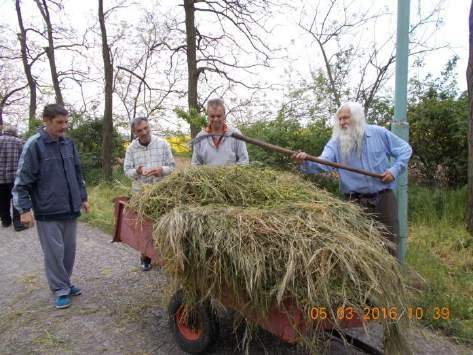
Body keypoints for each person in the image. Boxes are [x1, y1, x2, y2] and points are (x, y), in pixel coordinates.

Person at [292, 102, 412, 256]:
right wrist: (305, 161)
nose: (342, 122)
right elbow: (323, 163)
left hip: (384, 199)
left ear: (357, 118)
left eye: (345, 118)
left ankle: (393, 278)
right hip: (354, 203)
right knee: (359, 248)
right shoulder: (335, 143)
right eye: (339, 119)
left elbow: (405, 149)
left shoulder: (379, 133)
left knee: (389, 243)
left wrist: (394, 171)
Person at [12, 104, 89, 309]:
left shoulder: (68, 144)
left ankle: (65, 282)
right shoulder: (34, 145)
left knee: (69, 251)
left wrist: (83, 197)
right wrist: (24, 210)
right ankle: (60, 289)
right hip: (48, 210)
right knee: (54, 252)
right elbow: (21, 181)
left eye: (66, 122)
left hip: (70, 207)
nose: (64, 127)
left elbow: (77, 172)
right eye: (59, 122)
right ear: (46, 120)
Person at [123, 117, 176, 271]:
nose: (144, 132)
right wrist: (138, 171)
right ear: (135, 133)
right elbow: (127, 171)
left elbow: (172, 167)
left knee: (162, 225)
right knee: (145, 227)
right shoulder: (131, 149)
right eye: (140, 130)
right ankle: (146, 257)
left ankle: (164, 258)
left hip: (161, 192)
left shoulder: (162, 144)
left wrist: (161, 170)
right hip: (141, 193)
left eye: (146, 128)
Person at [191, 98, 249, 166]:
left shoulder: (236, 134)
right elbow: (195, 164)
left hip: (232, 176)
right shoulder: (200, 137)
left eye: (219, 116)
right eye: (212, 116)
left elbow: (244, 161)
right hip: (207, 176)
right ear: (208, 117)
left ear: (224, 116)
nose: (216, 119)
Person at [0, 126, 26, 231]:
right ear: (14, 133)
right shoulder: (20, 142)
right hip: (15, 176)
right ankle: (17, 223)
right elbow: (24, 158)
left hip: (0, 177)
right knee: (16, 199)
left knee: (2, 199)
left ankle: (5, 220)